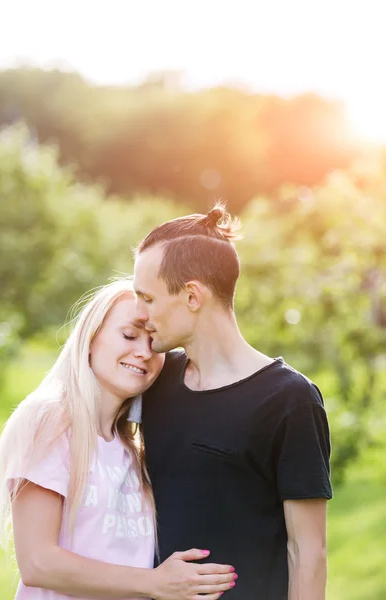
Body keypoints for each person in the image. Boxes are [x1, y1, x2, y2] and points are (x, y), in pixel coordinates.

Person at [133, 204, 333, 600]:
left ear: (192, 295)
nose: (140, 315)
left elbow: (307, 552)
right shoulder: (155, 379)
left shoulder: (289, 400)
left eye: (148, 299)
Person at [0, 279, 236, 600]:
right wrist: (156, 582)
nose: (144, 352)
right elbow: (38, 562)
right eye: (129, 335)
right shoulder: (51, 420)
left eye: (156, 341)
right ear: (91, 339)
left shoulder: (132, 451)